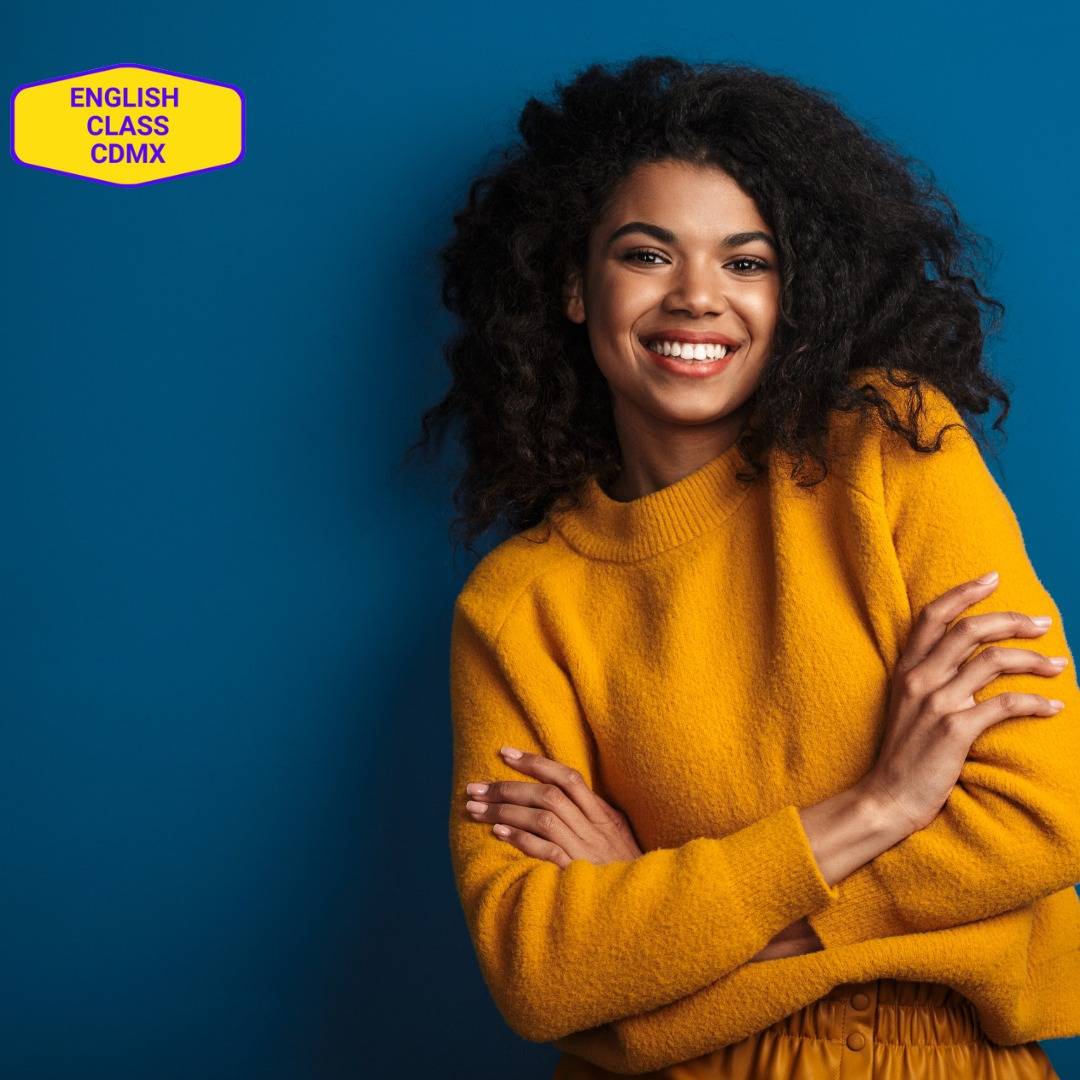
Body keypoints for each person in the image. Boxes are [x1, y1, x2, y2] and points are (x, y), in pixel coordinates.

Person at [404, 56, 1080, 1078]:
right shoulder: (521, 605)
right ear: (575, 289)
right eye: (646, 254)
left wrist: (673, 929)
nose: (696, 299)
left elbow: (1041, 814)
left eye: (746, 262)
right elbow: (543, 972)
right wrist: (882, 806)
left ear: (796, 292)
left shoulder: (892, 453)